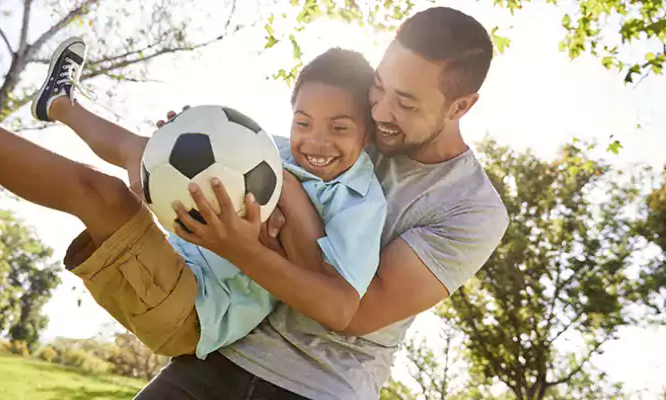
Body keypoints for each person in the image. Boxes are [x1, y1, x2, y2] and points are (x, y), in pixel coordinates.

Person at [132, 6, 510, 400]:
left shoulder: (471, 209)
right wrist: (184, 143)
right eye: (379, 85)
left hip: (321, 385)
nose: (380, 111)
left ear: (461, 106)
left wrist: (254, 237)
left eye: (406, 103)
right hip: (223, 353)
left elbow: (354, 314)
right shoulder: (337, 132)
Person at [31, 38, 386, 360]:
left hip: (203, 307)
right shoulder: (271, 149)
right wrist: (179, 142)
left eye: (338, 128)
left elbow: (334, 300)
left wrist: (284, 195)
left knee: (96, 193)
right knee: (143, 151)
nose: (316, 142)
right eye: (303, 124)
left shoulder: (360, 200)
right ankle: (58, 104)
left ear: (367, 134)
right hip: (182, 251)